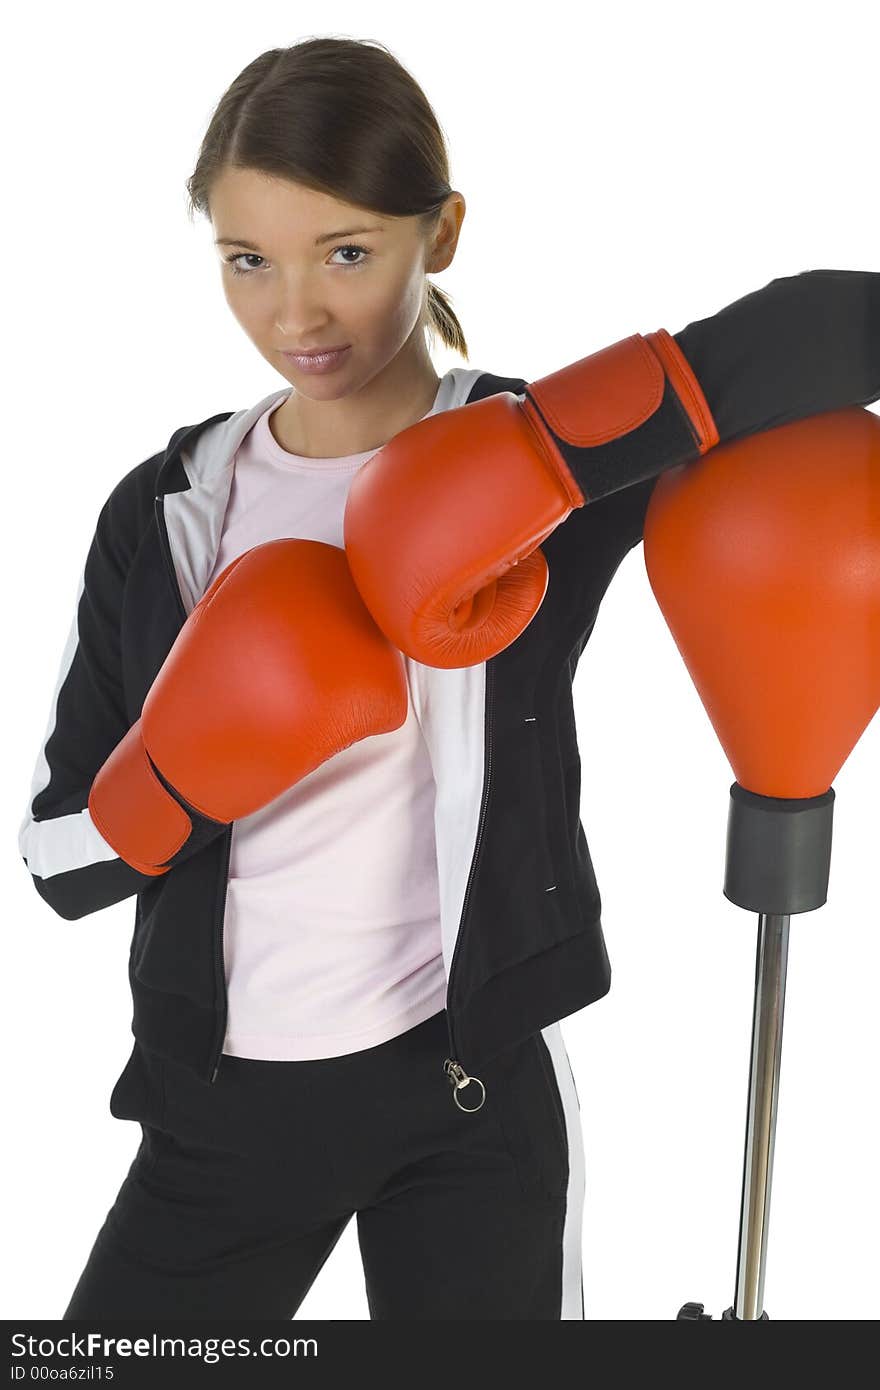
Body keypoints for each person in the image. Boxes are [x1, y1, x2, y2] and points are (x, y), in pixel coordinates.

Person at [18, 36, 879, 1321]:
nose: (294, 314)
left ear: (445, 232)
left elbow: (836, 328)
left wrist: (544, 447)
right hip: (224, 1107)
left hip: (467, 1096)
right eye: (247, 260)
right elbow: (56, 861)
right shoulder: (168, 511)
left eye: (347, 252)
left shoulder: (532, 477)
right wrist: (183, 766)